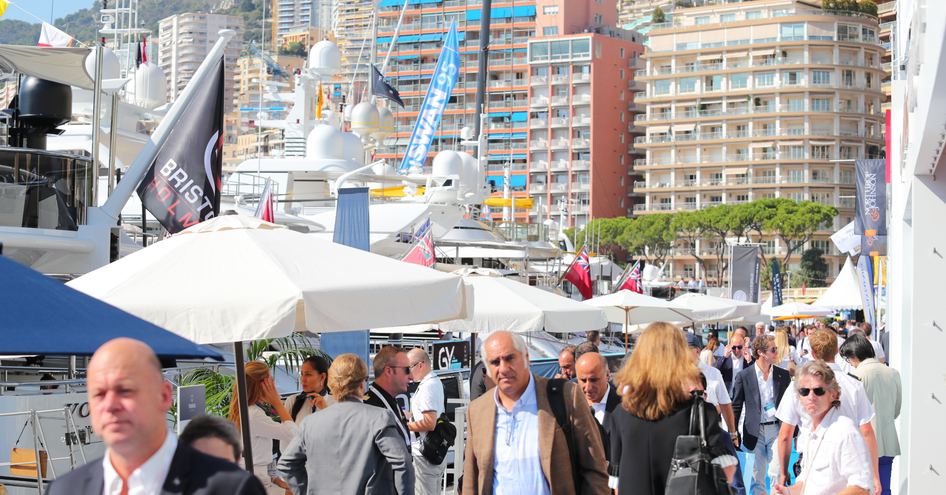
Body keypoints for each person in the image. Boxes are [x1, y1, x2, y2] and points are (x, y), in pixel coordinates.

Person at [46, 338, 265, 495]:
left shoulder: (231, 488)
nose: (110, 405)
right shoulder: (64, 489)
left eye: (125, 390)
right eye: (99, 394)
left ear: (164, 395)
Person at [462, 331, 607, 495]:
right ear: (487, 370)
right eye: (495, 362)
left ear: (526, 357)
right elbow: (470, 482)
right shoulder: (477, 411)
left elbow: (595, 469)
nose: (503, 368)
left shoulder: (565, 396)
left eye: (509, 358)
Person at [607, 322, 737, 494]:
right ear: (680, 357)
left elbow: (616, 484)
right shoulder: (699, 411)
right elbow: (726, 469)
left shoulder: (620, 415)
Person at [276, 354, 414, 495]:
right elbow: (402, 463)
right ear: (362, 383)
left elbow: (287, 464)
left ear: (331, 382)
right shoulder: (379, 418)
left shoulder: (310, 423)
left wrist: (306, 491)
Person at [775, 328, 881, 494]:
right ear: (837, 351)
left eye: (818, 391)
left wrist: (783, 472)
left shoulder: (845, 431)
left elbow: (785, 435)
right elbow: (867, 431)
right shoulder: (854, 385)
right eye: (804, 392)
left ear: (833, 394)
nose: (810, 397)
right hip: (809, 463)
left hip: (847, 458)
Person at [841, 333, 902, 495]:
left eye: (848, 359)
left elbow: (850, 415)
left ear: (853, 356)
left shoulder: (855, 376)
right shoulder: (893, 373)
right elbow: (896, 410)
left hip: (863, 443)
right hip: (888, 439)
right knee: (884, 489)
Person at [686, 332, 744, 495]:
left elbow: (726, 405)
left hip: (713, 434)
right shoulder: (673, 375)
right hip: (685, 434)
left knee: (731, 478)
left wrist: (732, 433)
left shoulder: (713, 373)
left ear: (697, 351)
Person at [731, 335, 791, 495]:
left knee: (776, 474)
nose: (776, 352)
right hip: (753, 432)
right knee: (757, 478)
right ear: (761, 352)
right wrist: (733, 432)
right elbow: (736, 406)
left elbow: (791, 404)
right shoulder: (744, 376)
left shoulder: (783, 375)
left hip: (776, 430)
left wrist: (795, 432)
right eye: (773, 349)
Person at [229, 361, 300, 494]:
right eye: (271, 381)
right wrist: (278, 403)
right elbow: (294, 436)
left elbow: (256, 450)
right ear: (263, 385)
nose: (274, 386)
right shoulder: (254, 415)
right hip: (255, 478)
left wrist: (274, 478)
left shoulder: (245, 411)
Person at [405, 348, 445, 495]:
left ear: (420, 365)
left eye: (409, 368)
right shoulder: (431, 382)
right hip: (428, 453)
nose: (407, 373)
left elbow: (429, 423)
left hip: (424, 456)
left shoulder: (428, 386)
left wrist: (406, 426)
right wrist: (409, 416)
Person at [574, 352, 620, 461]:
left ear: (607, 375)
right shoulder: (570, 405)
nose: (588, 387)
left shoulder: (624, 406)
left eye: (594, 380)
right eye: (583, 380)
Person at [364, 346, 412, 447]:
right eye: (407, 370)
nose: (411, 376)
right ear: (388, 371)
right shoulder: (368, 406)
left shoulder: (390, 399)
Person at [285, 355, 335, 423]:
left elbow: (339, 431)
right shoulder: (292, 401)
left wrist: (325, 409)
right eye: (302, 374)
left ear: (322, 377)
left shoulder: (335, 403)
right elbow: (285, 431)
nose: (303, 380)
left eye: (308, 374)